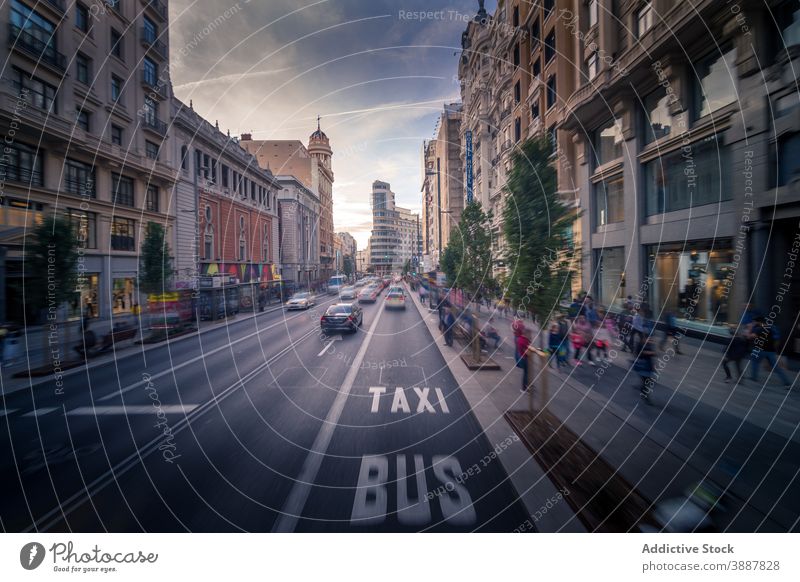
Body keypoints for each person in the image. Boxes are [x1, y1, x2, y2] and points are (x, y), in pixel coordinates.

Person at [749, 317, 791, 388]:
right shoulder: (773, 328)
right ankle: (787, 382)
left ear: (759, 322)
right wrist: (774, 349)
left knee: (754, 362)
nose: (754, 323)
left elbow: (751, 337)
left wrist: (751, 328)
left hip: (759, 350)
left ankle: (754, 377)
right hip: (771, 351)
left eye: (755, 322)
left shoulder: (759, 329)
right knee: (777, 367)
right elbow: (777, 340)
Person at [633, 337, 657, 403]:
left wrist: (653, 368)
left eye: (651, 340)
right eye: (649, 339)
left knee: (647, 381)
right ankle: (645, 395)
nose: (651, 341)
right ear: (644, 339)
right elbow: (638, 354)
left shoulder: (649, 345)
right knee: (646, 381)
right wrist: (648, 353)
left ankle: (643, 391)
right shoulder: (640, 345)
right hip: (642, 366)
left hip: (648, 366)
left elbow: (654, 354)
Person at [515, 322, 531, 392]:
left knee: (526, 373)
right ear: (526, 334)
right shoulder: (523, 341)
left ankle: (526, 385)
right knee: (526, 373)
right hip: (524, 358)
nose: (530, 335)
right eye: (529, 334)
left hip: (523, 357)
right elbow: (527, 352)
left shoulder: (522, 339)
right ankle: (524, 388)